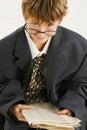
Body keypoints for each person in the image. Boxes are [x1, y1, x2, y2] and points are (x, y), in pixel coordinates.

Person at [0, 0, 87, 130]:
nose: (41, 32)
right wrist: (11, 106)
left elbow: (82, 83)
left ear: (62, 16)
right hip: (18, 121)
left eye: (50, 25)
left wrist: (71, 107)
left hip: (60, 115)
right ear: (24, 15)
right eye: (34, 23)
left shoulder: (78, 47)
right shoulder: (4, 49)